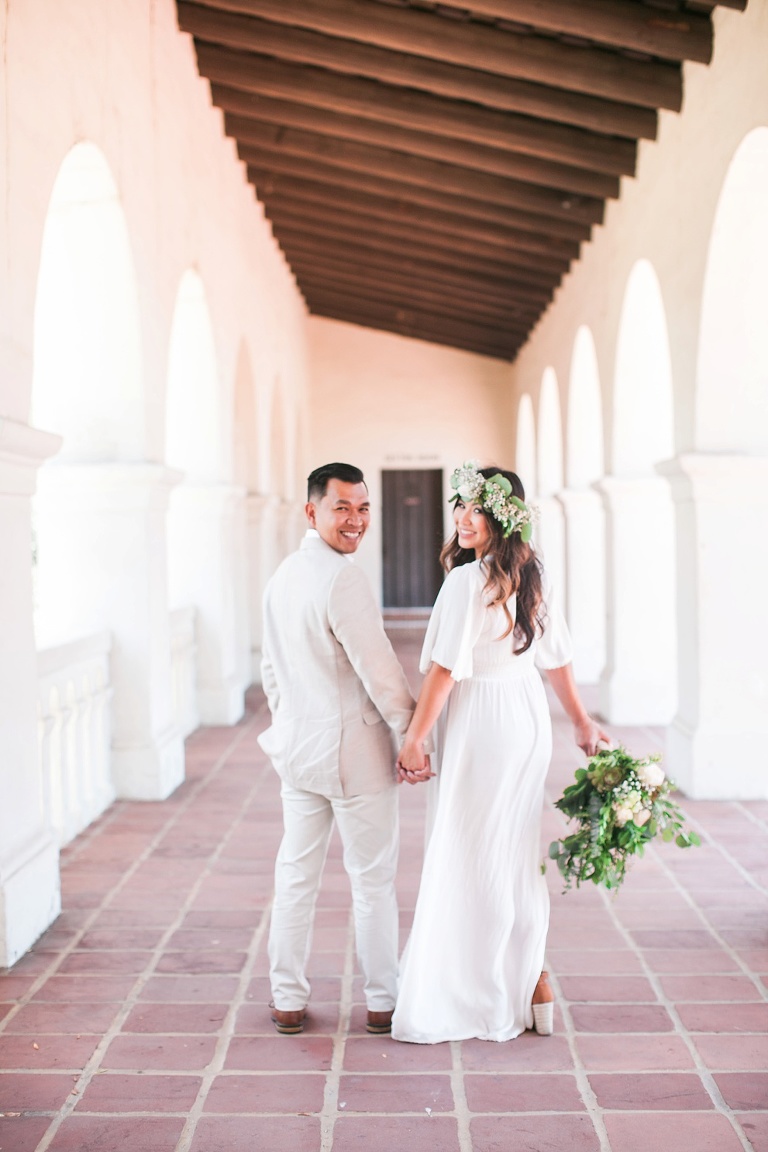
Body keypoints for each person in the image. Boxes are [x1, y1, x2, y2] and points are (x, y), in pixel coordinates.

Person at [392, 462, 608, 1044]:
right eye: (459, 504)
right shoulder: (534, 571)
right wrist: (581, 721)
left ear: (503, 516)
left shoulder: (467, 582)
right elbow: (556, 656)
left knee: (466, 851)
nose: (464, 517)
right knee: (511, 852)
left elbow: (444, 671)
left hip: (481, 722)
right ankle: (531, 975)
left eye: (477, 508)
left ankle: (477, 992)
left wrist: (414, 738)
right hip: (525, 716)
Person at [258, 462, 419, 1037]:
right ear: (311, 511)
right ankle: (382, 1001)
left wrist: (289, 724)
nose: (355, 520)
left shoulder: (283, 575)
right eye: (341, 508)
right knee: (371, 880)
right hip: (355, 759)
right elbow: (378, 670)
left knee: (295, 876)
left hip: (299, 753)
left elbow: (269, 670)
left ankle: (287, 999)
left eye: (363, 507)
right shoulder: (341, 579)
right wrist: (412, 738)